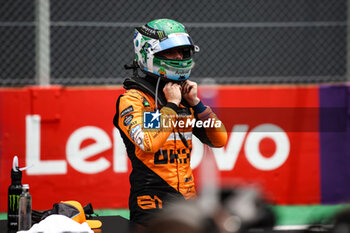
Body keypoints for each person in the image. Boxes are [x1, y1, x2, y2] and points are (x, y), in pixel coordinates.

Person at [113, 19, 227, 225]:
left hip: (188, 200)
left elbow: (219, 139)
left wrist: (197, 104)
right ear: (148, 54)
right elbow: (149, 143)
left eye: (182, 52)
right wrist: (172, 106)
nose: (179, 57)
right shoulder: (133, 99)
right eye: (171, 52)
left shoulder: (185, 96)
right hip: (151, 203)